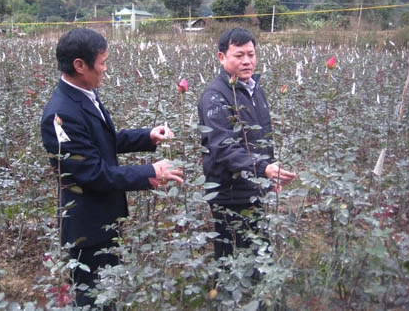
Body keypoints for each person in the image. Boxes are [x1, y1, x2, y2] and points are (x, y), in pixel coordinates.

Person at [41, 28, 183, 308]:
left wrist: (147, 136)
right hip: (86, 229)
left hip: (104, 220)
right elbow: (90, 172)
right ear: (80, 66)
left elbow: (102, 141)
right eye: (103, 62)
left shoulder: (84, 95)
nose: (106, 69)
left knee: (110, 294)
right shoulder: (60, 115)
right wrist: (149, 172)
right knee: (94, 299)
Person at [197, 27, 297, 260]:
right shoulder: (215, 96)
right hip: (229, 194)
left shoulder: (254, 89)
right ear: (222, 57)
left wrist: (269, 175)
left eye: (251, 54)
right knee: (231, 255)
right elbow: (223, 147)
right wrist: (263, 169)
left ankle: (258, 293)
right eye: (239, 55)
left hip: (254, 188)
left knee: (259, 250)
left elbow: (263, 137)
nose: (247, 61)